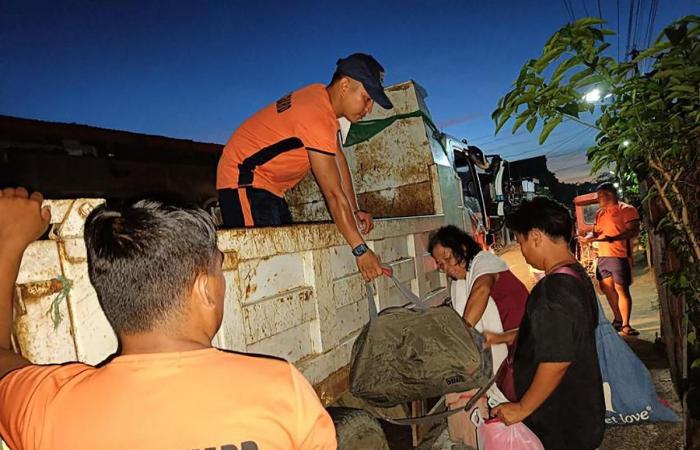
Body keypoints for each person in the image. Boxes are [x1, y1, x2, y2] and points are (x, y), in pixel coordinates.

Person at [0, 187, 337, 450]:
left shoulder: (51, 411)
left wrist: (10, 242)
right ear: (205, 290)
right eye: (219, 270)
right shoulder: (281, 388)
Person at [216, 53, 394, 282]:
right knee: (261, 271)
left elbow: (339, 161)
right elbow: (331, 193)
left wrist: (354, 210)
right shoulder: (315, 114)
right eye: (366, 98)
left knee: (283, 261)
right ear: (345, 84)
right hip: (243, 180)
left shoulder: (320, 99)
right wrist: (360, 249)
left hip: (269, 187)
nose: (368, 109)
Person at [491, 197, 604, 450]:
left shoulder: (552, 290)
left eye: (520, 242)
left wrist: (521, 408)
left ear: (536, 237)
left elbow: (556, 360)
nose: (522, 250)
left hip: (560, 419)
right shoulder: (576, 276)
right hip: (580, 408)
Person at [429, 225, 528, 402]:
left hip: (523, 346)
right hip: (510, 349)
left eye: (448, 258)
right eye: (441, 265)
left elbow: (481, 290)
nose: (447, 268)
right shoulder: (460, 282)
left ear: (463, 248)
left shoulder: (485, 262)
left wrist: (462, 339)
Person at [580, 182, 641, 336]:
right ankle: (618, 319)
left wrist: (612, 238)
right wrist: (587, 238)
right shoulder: (600, 214)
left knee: (621, 289)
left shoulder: (626, 210)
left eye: (600, 195)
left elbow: (633, 231)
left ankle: (626, 324)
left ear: (610, 194)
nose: (598, 199)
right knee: (607, 289)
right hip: (603, 256)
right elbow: (594, 233)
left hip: (620, 255)